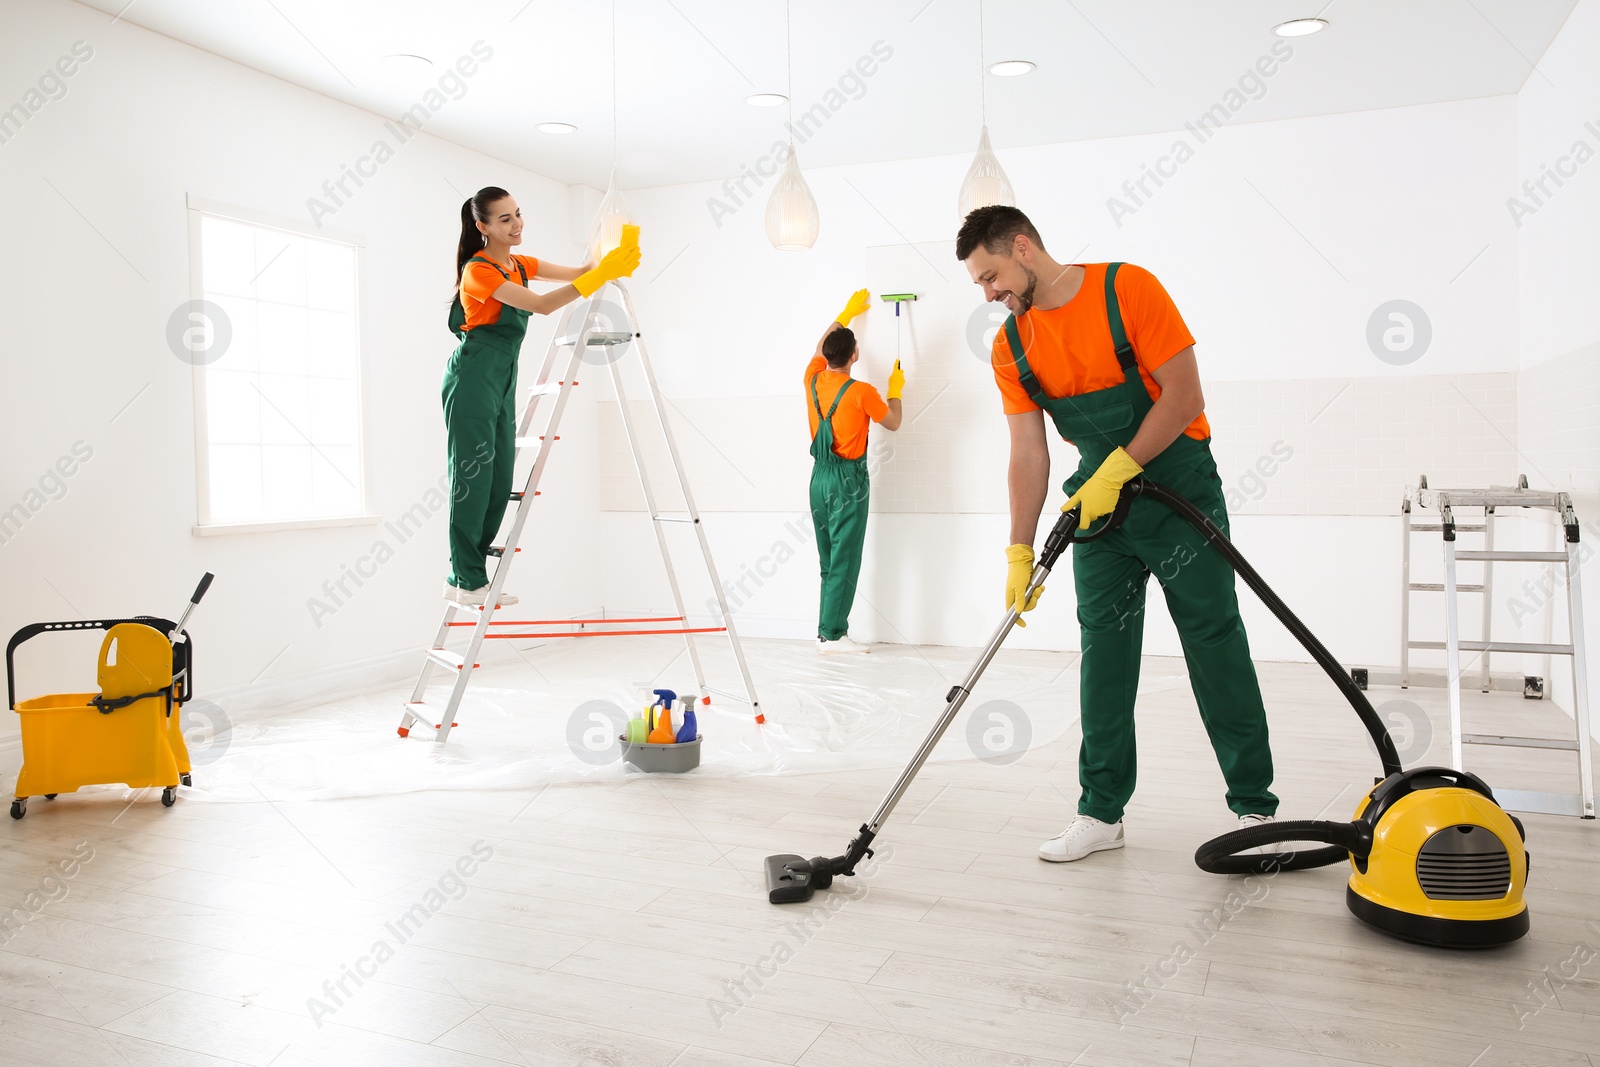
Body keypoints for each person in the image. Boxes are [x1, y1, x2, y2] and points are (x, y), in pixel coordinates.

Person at [956, 205, 1277, 861]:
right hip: (1101, 511)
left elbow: (1184, 395)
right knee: (1103, 654)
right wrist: (1020, 548)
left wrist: (1123, 467)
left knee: (1213, 641)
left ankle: (1253, 808)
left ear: (1022, 247)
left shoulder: (1126, 289)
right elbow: (1028, 452)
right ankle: (1101, 812)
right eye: (981, 286)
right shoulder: (1010, 345)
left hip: (1180, 489)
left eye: (991, 276)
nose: (989, 295)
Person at [445, 186, 640, 608]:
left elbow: (581, 270)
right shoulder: (479, 272)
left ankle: (469, 574)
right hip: (474, 374)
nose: (516, 225)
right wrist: (598, 275)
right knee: (471, 477)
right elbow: (543, 304)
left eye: (518, 214)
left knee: (499, 479)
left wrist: (611, 244)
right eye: (504, 220)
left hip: (503, 375)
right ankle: (464, 576)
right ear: (482, 227)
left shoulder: (520, 264)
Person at [803, 290, 904, 654]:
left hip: (818, 479)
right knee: (845, 557)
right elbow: (892, 422)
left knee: (828, 558)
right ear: (854, 355)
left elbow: (819, 344)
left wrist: (843, 315)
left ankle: (825, 631)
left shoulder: (812, 379)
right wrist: (895, 391)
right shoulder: (862, 392)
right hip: (847, 481)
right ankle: (832, 636)